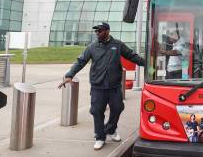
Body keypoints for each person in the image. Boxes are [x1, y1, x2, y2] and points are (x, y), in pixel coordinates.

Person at [59, 22, 145, 150]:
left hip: (114, 86)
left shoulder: (117, 45)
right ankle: (100, 137)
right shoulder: (92, 47)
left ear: (107, 31)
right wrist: (69, 75)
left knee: (118, 108)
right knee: (97, 111)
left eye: (100, 31)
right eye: (96, 31)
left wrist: (148, 64)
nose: (97, 33)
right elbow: (80, 61)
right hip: (97, 86)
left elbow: (132, 56)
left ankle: (110, 129)